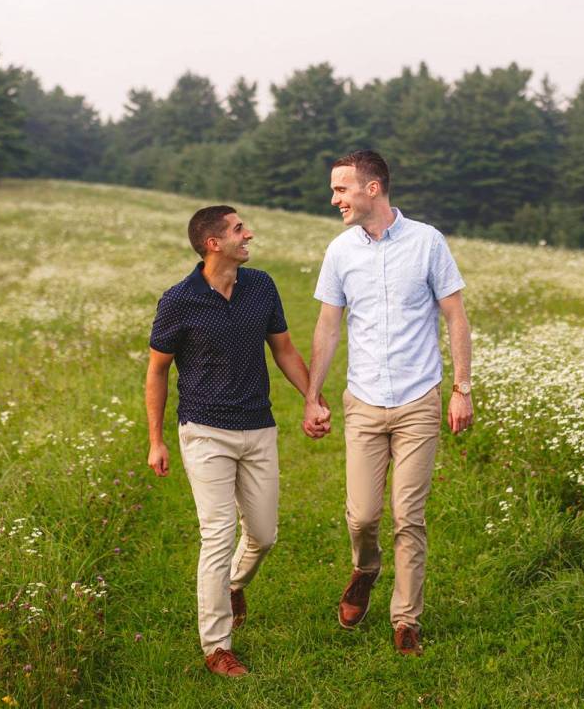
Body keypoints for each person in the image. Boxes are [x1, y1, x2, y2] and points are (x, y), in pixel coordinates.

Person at [302, 150, 473, 656]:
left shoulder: (427, 242)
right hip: (364, 401)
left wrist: (462, 389)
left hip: (419, 398)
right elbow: (328, 325)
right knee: (362, 516)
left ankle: (406, 620)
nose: (335, 199)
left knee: (409, 514)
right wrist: (313, 396)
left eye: (341, 189)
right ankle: (366, 568)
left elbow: (456, 318)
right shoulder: (340, 251)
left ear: (372, 188)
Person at [146, 205, 328, 677]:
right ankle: (217, 647)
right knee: (217, 534)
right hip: (205, 430)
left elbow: (284, 348)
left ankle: (232, 586)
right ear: (213, 243)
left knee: (264, 534)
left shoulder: (261, 286)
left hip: (259, 426)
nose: (249, 233)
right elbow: (158, 371)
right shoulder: (179, 300)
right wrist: (156, 440)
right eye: (238, 229)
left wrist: (312, 399)